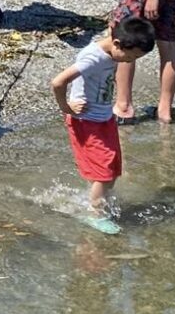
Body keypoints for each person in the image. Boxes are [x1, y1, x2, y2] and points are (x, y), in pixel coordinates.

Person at [52, 15, 156, 230]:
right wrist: (66, 107)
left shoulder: (112, 51)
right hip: (87, 122)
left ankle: (98, 199)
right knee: (104, 172)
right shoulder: (93, 58)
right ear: (117, 43)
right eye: (130, 57)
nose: (129, 62)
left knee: (112, 168)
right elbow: (58, 82)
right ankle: (95, 215)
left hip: (104, 119)